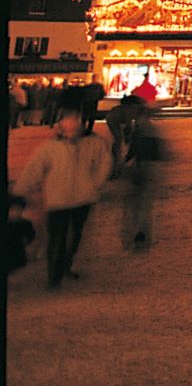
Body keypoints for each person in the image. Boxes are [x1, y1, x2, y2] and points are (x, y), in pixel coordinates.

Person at [16, 107, 113, 289]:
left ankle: (66, 266)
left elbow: (105, 164)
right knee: (57, 237)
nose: (70, 129)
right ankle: (54, 276)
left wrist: (95, 184)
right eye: (66, 124)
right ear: (60, 126)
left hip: (84, 198)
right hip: (58, 199)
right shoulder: (50, 147)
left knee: (75, 235)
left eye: (74, 124)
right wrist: (20, 191)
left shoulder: (94, 143)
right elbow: (34, 170)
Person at [119, 100, 167, 250]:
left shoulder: (141, 130)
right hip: (148, 167)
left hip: (144, 167)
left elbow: (135, 149)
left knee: (140, 203)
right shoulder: (150, 130)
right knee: (144, 203)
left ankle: (139, 233)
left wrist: (126, 162)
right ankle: (142, 232)